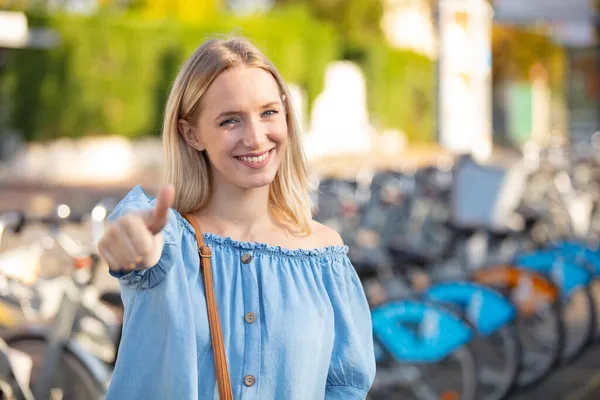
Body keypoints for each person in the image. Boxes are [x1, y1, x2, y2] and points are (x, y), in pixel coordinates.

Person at [97, 36, 376, 399]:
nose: (256, 138)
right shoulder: (169, 244)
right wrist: (131, 246)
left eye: (268, 112)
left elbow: (344, 389)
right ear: (191, 133)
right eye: (230, 121)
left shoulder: (324, 257)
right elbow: (140, 249)